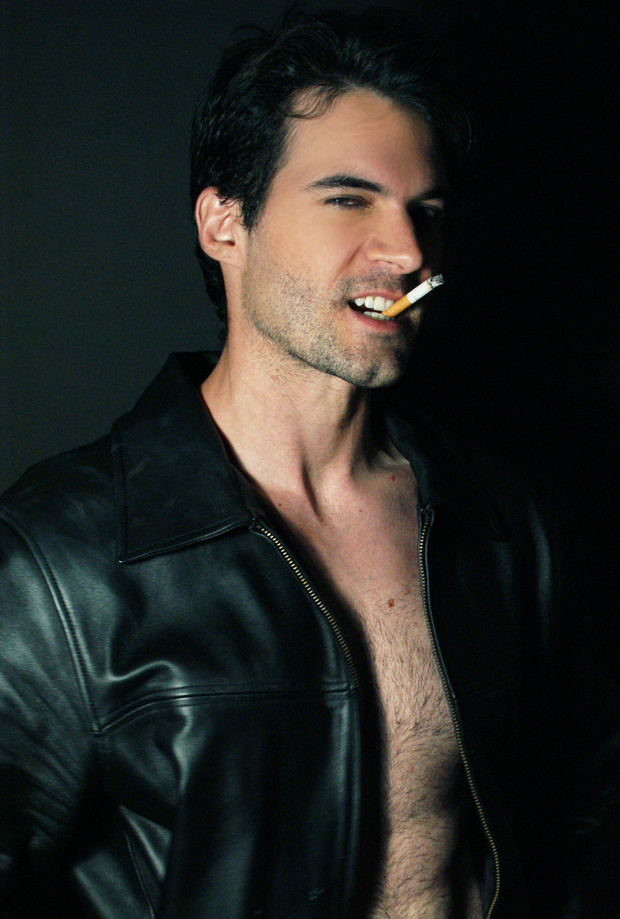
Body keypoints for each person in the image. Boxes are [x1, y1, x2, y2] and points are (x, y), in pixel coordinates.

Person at [1, 8, 618, 919]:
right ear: (224, 223)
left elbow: (588, 811)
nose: (408, 252)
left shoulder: (510, 523)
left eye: (426, 211)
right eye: (348, 199)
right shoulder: (59, 559)